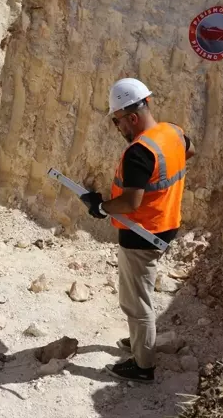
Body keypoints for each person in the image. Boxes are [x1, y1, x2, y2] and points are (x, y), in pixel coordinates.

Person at [80, 77, 196, 384]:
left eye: (118, 121)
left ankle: (143, 365)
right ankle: (139, 340)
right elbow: (190, 150)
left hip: (141, 234)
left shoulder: (139, 151)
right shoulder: (172, 132)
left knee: (136, 301)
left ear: (132, 117)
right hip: (166, 224)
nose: (118, 128)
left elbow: (131, 202)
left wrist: (101, 207)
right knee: (137, 293)